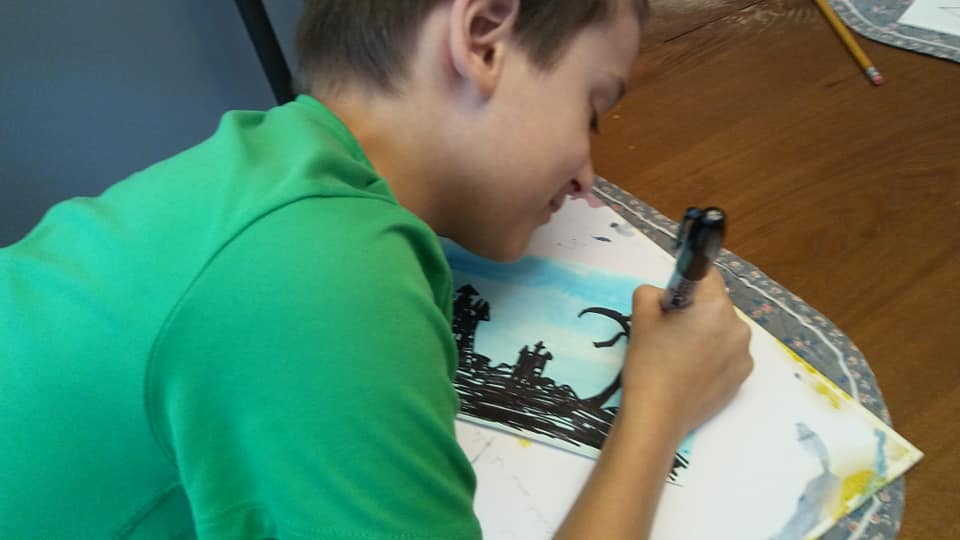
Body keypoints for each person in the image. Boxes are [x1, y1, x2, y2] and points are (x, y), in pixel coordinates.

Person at [0, 0, 753, 538]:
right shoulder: (315, 274)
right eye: (591, 110)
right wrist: (660, 404)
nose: (589, 176)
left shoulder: (266, 169)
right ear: (484, 36)